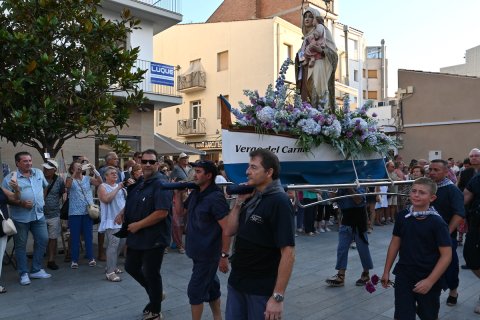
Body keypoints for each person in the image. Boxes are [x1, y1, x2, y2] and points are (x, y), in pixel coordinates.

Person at [224, 149, 295, 319]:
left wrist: (277, 297)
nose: (247, 171)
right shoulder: (251, 196)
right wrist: (239, 203)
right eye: (249, 167)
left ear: (269, 172)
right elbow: (229, 230)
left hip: (260, 288)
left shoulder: (280, 201)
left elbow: (288, 253)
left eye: (254, 167)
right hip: (237, 282)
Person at [381, 177, 452, 320]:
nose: (416, 195)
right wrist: (386, 271)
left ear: (432, 198)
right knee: (403, 314)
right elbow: (395, 243)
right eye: (413, 191)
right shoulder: (403, 216)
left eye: (422, 193)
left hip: (428, 276)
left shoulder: (437, 222)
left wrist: (430, 281)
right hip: (404, 275)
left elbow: (446, 255)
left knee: (428, 314)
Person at [119, 149, 172, 320]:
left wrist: (138, 225)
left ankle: (155, 312)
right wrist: (122, 212)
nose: (148, 164)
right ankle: (156, 294)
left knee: (151, 273)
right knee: (130, 267)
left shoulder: (161, 183)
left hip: (154, 237)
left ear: (157, 164)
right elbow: (133, 200)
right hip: (137, 235)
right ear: (140, 163)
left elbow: (162, 212)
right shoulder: (141, 181)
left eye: (151, 162)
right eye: (145, 161)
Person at [184, 160, 231, 320]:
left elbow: (227, 229)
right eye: (194, 171)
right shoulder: (196, 192)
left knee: (195, 290)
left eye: (198, 171)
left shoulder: (215, 198)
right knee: (211, 286)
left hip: (209, 254)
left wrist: (224, 256)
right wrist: (177, 193)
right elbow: (179, 213)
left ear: (209, 175)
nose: (194, 175)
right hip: (197, 252)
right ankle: (218, 317)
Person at [1, 152, 53, 285]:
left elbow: (44, 188)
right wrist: (21, 203)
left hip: (38, 215)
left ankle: (36, 269)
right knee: (21, 246)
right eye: (25, 161)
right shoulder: (9, 179)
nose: (29, 163)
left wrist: (41, 201)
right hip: (20, 218)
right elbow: (7, 199)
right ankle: (23, 273)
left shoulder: (38, 173)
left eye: (30, 160)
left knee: (43, 239)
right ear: (17, 163)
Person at [428, 159, 465, 306]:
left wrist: (447, 232)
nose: (432, 172)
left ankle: (453, 291)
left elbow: (459, 213)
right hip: (427, 236)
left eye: (436, 170)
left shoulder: (452, 190)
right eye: (430, 169)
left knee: (450, 265)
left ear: (446, 172)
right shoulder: (427, 187)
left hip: (446, 237)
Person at [325, 187, 373, 287]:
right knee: (342, 248)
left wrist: (349, 188)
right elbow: (331, 199)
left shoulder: (359, 184)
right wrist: (335, 189)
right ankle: (341, 276)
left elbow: (359, 200)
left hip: (359, 219)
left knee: (363, 248)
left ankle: (366, 274)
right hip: (346, 219)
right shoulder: (339, 185)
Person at [296, 7, 338, 109]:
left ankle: (320, 115)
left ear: (316, 19)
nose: (307, 19)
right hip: (306, 68)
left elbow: (333, 53)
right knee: (307, 94)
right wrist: (299, 58)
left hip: (318, 66)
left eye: (310, 17)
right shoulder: (306, 38)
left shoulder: (323, 32)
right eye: (305, 16)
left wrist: (320, 51)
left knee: (318, 92)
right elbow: (301, 55)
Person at [66, 161, 102, 269]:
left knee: (88, 236)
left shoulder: (87, 179)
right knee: (75, 237)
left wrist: (94, 169)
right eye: (77, 167)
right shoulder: (70, 179)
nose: (80, 168)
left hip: (87, 212)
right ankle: (74, 260)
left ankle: (91, 257)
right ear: (72, 169)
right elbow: (67, 186)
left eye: (80, 166)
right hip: (74, 213)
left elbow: (100, 182)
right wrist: (74, 174)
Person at [98, 166, 127, 282]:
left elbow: (125, 202)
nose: (115, 175)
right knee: (113, 245)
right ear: (106, 176)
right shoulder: (102, 186)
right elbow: (106, 199)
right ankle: (109, 272)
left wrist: (122, 214)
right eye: (112, 173)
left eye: (116, 173)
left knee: (121, 243)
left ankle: (113, 266)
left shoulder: (121, 187)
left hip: (122, 220)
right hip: (111, 220)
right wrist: (118, 187)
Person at [42, 159, 66, 270]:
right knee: (40, 238)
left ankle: (51, 259)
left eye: (48, 168)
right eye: (44, 168)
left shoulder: (60, 180)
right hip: (40, 214)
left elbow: (61, 193)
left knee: (53, 237)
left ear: (54, 170)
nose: (45, 170)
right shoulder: (39, 178)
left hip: (54, 213)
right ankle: (39, 259)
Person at [0, 184, 22, 292]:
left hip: (2, 227)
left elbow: (15, 197)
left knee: (0, 256)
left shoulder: (0, 188)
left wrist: (17, 190)